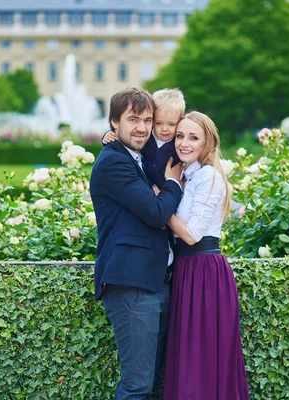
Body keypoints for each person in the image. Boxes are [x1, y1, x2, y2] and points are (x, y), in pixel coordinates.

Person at [90, 87, 183, 399]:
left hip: (153, 281)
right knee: (137, 385)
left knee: (150, 383)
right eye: (133, 119)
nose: (142, 127)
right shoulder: (113, 162)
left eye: (147, 120)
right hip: (131, 284)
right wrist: (172, 183)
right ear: (115, 122)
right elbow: (157, 213)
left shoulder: (138, 156)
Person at [163, 111, 250, 400]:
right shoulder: (185, 175)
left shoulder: (209, 176)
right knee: (187, 357)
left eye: (193, 137)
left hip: (205, 273)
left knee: (202, 358)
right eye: (180, 136)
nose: (184, 143)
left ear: (207, 143)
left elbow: (191, 234)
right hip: (187, 270)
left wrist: (157, 202)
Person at [101, 88, 184, 188]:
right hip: (145, 185)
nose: (164, 129)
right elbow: (121, 142)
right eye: (158, 123)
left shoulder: (179, 143)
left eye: (171, 124)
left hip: (167, 188)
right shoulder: (147, 137)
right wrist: (107, 137)